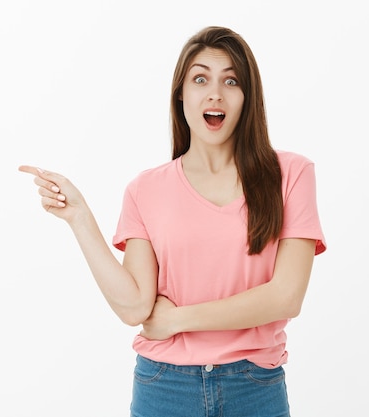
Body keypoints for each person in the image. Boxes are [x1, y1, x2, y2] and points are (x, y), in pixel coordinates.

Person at [19, 26, 326, 417]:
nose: (214, 92)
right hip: (165, 386)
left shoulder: (291, 174)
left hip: (254, 386)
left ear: (247, 97)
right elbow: (135, 308)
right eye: (200, 79)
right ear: (181, 93)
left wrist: (178, 319)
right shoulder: (145, 189)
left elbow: (286, 296)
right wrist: (79, 218)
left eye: (231, 80)